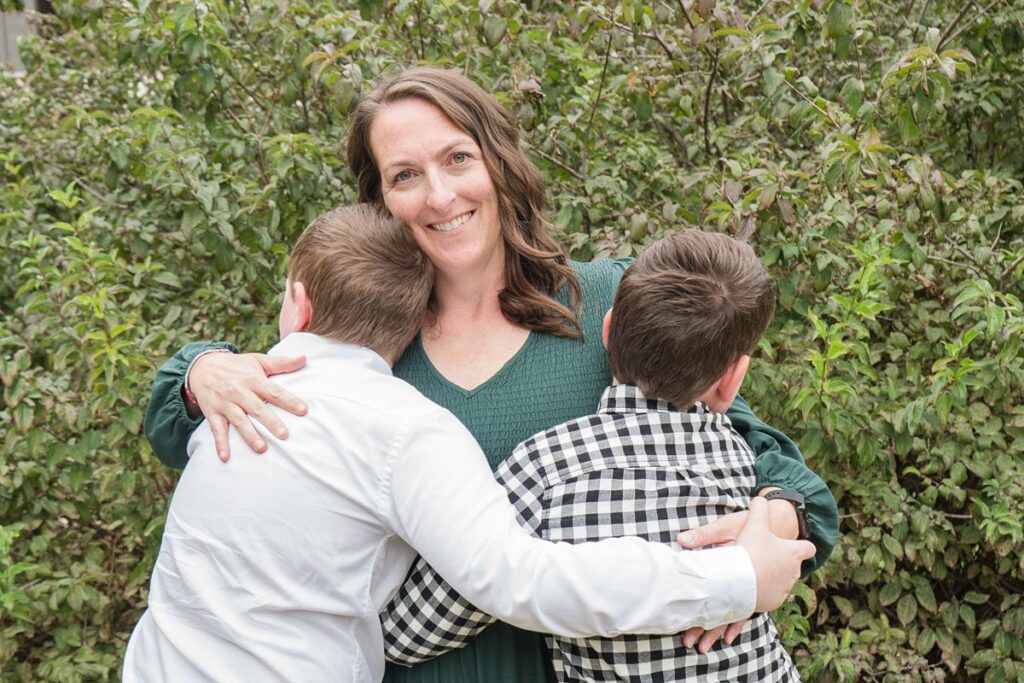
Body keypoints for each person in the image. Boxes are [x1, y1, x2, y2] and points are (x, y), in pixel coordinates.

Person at [143, 66, 839, 683]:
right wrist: (200, 369)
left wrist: (772, 517)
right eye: (405, 175)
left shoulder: (608, 305)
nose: (440, 195)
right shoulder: (367, 345)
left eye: (457, 158)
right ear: (379, 201)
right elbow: (199, 440)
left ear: (499, 163)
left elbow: (767, 459)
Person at [383, 230, 805, 681]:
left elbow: (413, 631)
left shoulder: (545, 467)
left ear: (606, 330)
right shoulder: (742, 461)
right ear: (733, 379)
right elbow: (802, 495)